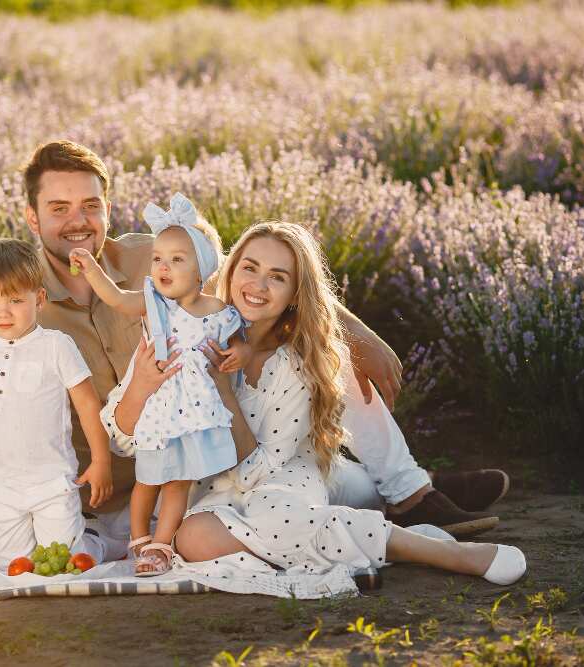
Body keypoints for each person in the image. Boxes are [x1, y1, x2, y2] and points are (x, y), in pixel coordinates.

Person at [0, 140, 505, 560]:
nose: (78, 221)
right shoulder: (8, 302)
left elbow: (253, 281)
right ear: (31, 216)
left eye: (90, 205)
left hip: (205, 438)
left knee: (324, 353)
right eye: (59, 207)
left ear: (108, 207)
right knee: (278, 487)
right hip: (127, 482)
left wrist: (356, 332)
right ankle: (399, 497)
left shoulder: (151, 256)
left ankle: (411, 490)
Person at [103, 222, 525, 593]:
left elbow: (263, 469)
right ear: (229, 272)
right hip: (213, 493)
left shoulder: (296, 363)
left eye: (277, 277)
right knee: (194, 539)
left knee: (284, 514)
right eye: (249, 268)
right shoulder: (184, 332)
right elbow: (122, 441)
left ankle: (433, 549)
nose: (258, 285)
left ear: (293, 294)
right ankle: (377, 532)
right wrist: (142, 384)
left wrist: (224, 392)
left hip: (286, 477)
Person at [69, 193, 249, 576]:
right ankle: (139, 537)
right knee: (148, 477)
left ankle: (162, 543)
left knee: (178, 482)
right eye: (157, 259)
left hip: (193, 413)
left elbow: (240, 339)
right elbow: (116, 298)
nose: (163, 267)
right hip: (159, 408)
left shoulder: (217, 310)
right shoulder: (154, 303)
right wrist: (89, 268)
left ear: (201, 270)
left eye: (176, 260)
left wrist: (240, 354)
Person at [0, 238, 113, 569]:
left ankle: (97, 542)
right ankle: (33, 534)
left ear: (40, 300)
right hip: (5, 481)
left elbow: (88, 405)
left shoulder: (56, 346)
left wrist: (101, 460)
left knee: (64, 560)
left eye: (16, 300)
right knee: (9, 563)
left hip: (50, 479)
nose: (2, 312)